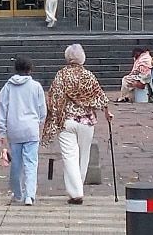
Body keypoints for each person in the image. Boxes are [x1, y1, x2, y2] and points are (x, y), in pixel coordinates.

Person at [40, 44, 113, 205]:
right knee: (83, 155)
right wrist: (106, 112)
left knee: (69, 157)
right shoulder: (88, 75)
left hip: (67, 122)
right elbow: (99, 95)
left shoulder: (61, 76)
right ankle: (78, 188)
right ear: (82, 58)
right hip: (87, 122)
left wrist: (54, 119)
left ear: (67, 58)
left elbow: (54, 98)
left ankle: (76, 192)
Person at [0, 56, 47, 207]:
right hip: (31, 129)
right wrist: (39, 121)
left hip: (14, 129)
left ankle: (17, 193)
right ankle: (30, 195)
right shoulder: (36, 86)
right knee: (31, 163)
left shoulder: (8, 87)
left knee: (16, 163)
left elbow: (2, 109)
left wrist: (2, 131)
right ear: (30, 69)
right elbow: (42, 109)